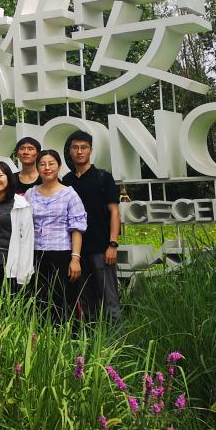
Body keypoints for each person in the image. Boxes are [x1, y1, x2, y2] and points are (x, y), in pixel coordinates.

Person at [63, 130, 122, 325]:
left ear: (91, 150)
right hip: (76, 252)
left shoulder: (103, 177)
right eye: (75, 147)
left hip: (101, 249)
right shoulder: (66, 181)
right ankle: (90, 340)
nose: (79, 151)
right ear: (70, 151)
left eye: (84, 147)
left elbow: (114, 212)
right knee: (85, 303)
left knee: (109, 300)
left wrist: (113, 244)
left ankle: (117, 340)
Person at [27, 149, 87, 323]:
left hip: (62, 254)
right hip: (36, 254)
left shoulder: (69, 194)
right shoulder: (30, 194)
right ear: (37, 168)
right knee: (39, 301)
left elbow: (77, 228)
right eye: (42, 164)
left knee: (63, 300)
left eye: (51, 163)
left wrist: (75, 259)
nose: (47, 168)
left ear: (59, 167)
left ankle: (68, 336)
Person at [0, 162, 35, 294]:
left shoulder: (20, 204)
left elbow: (27, 240)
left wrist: (23, 275)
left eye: (0, 175)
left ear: (9, 178)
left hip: (9, 263)